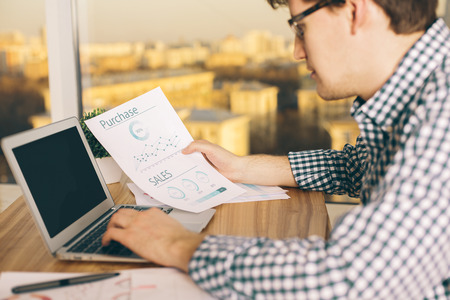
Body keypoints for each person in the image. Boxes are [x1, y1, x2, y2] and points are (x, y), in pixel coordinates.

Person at [102, 0, 450, 298]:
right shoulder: (422, 92)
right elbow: (359, 167)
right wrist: (245, 168)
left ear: (355, 11)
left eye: (300, 28)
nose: (297, 52)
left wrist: (180, 246)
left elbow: (348, 281)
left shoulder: (442, 115)